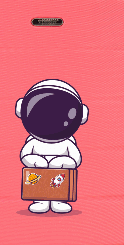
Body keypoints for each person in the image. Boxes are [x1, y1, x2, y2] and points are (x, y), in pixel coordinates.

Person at [15, 79, 89, 213]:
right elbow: (24, 155)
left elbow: (76, 159)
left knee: (61, 185)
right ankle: (40, 201)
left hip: (61, 176)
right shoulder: (33, 142)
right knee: (37, 185)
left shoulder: (67, 144)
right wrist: (33, 160)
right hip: (37, 176)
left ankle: (58, 201)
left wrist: (65, 162)